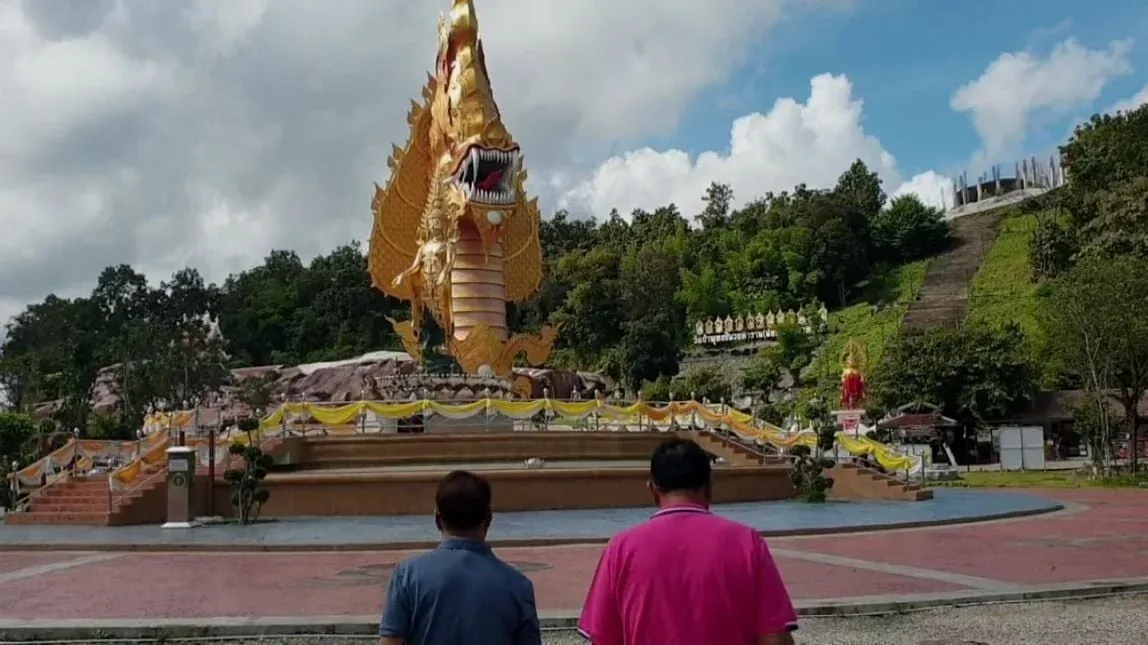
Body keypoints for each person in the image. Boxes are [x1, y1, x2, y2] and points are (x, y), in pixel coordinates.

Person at [578, 438, 797, 645]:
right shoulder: (747, 543)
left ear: (652, 489)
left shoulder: (621, 549)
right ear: (709, 486)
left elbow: (603, 638)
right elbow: (775, 638)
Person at [379, 470, 541, 645]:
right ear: (488, 518)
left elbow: (390, 641)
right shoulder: (518, 586)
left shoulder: (408, 576)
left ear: (437, 519)